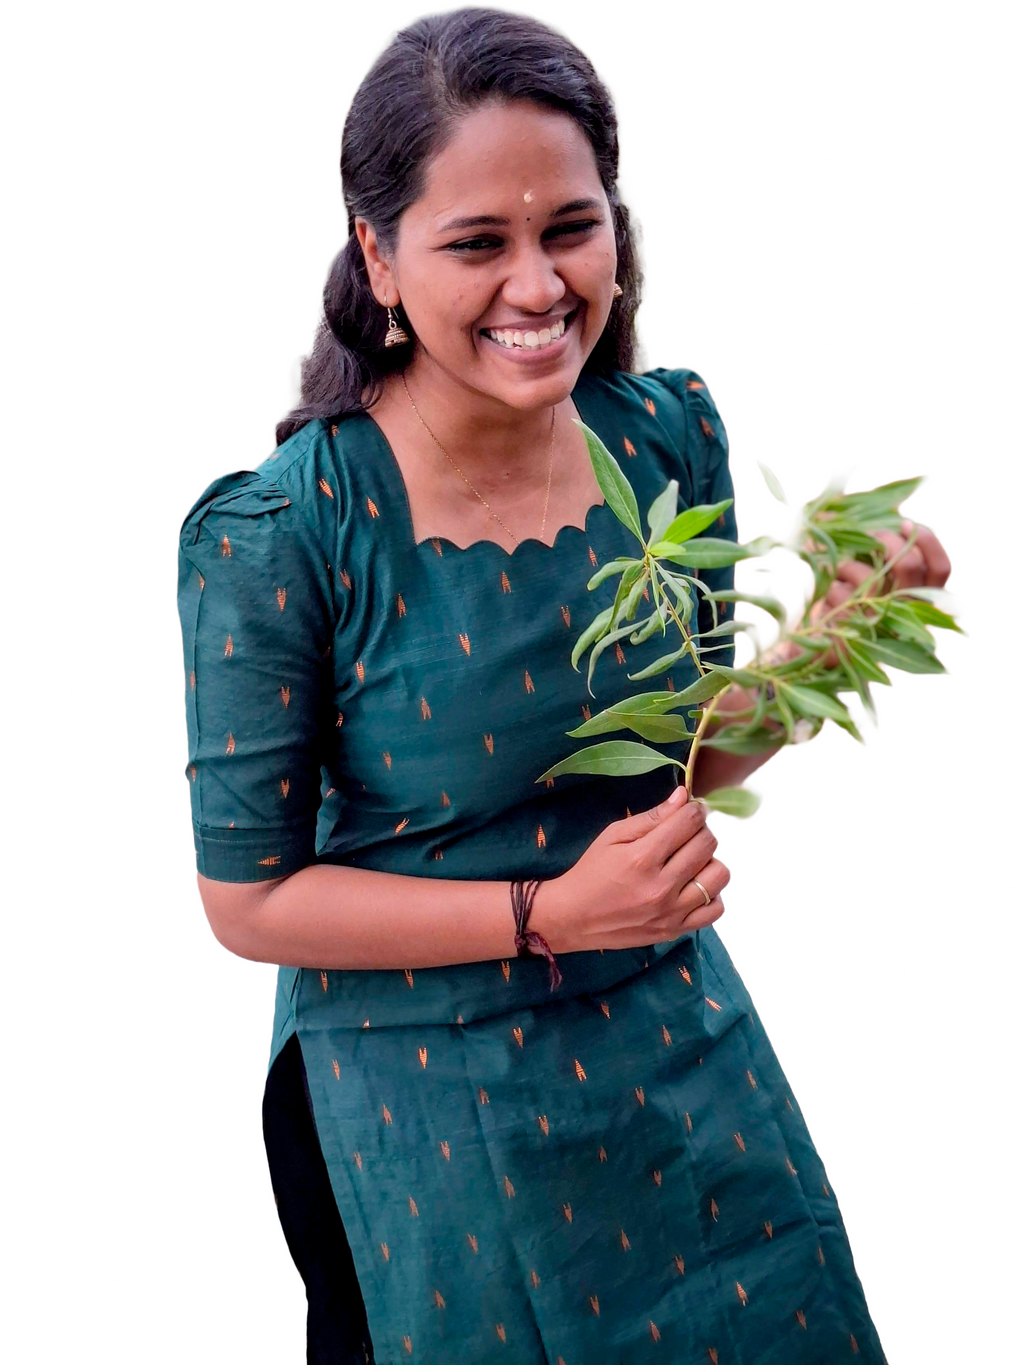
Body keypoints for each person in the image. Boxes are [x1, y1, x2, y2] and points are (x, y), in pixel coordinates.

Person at [177, 10, 950, 1362]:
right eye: (478, 243)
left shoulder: (662, 436)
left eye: (571, 229)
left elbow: (676, 757)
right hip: (423, 1088)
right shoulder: (284, 535)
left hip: (672, 1046)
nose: (539, 286)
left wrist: (840, 632)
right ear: (379, 258)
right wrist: (550, 913)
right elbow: (249, 903)